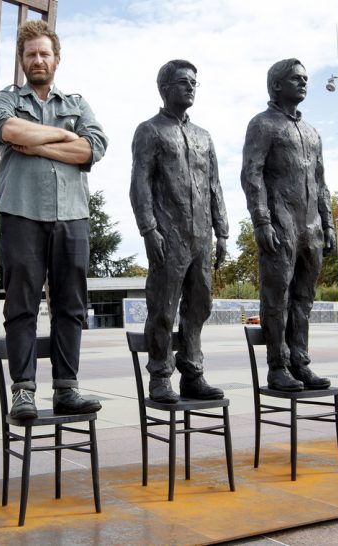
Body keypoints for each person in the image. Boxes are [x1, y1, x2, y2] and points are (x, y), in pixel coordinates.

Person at [0, 20, 108, 420]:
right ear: (21, 60)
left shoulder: (77, 102)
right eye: (31, 54)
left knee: (71, 305)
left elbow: (94, 148)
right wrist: (65, 139)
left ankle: (67, 389)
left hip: (73, 215)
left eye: (44, 53)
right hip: (21, 212)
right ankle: (23, 391)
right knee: (21, 303)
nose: (38, 60)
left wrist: (35, 146)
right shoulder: (5, 99)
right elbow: (3, 127)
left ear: (57, 59)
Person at [130, 59, 229, 403]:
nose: (190, 87)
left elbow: (215, 186)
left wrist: (224, 232)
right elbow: (139, 183)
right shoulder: (150, 130)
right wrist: (148, 229)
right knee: (163, 306)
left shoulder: (204, 136)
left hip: (202, 235)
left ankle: (193, 372)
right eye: (183, 82)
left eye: (193, 83)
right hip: (167, 235)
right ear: (164, 88)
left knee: (200, 305)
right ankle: (159, 375)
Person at [240, 58, 334, 392]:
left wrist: (329, 224)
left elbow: (321, 181)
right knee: (276, 295)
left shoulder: (312, 132)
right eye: (296, 78)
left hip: (311, 227)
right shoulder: (262, 125)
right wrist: (262, 220)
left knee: (304, 298)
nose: (304, 83)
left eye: (306, 78)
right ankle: (277, 366)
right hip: (280, 223)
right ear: (277, 85)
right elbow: (251, 175)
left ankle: (300, 362)